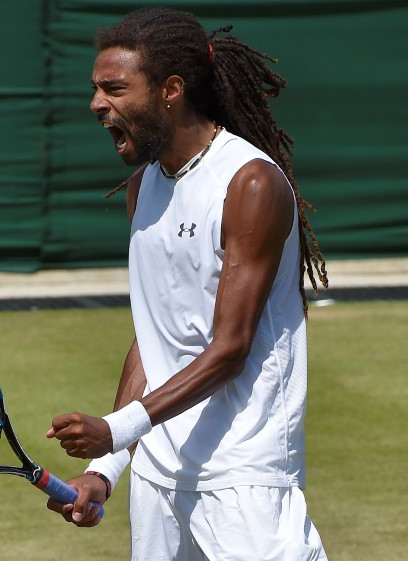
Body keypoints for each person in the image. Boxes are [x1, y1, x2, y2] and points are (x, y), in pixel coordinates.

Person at [44, 7, 330, 560]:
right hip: (158, 476)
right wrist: (105, 468)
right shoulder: (143, 188)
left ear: (171, 89)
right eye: (95, 88)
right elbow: (156, 338)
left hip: (243, 476)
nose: (97, 104)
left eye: (115, 88)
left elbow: (230, 350)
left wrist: (116, 427)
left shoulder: (248, 183)